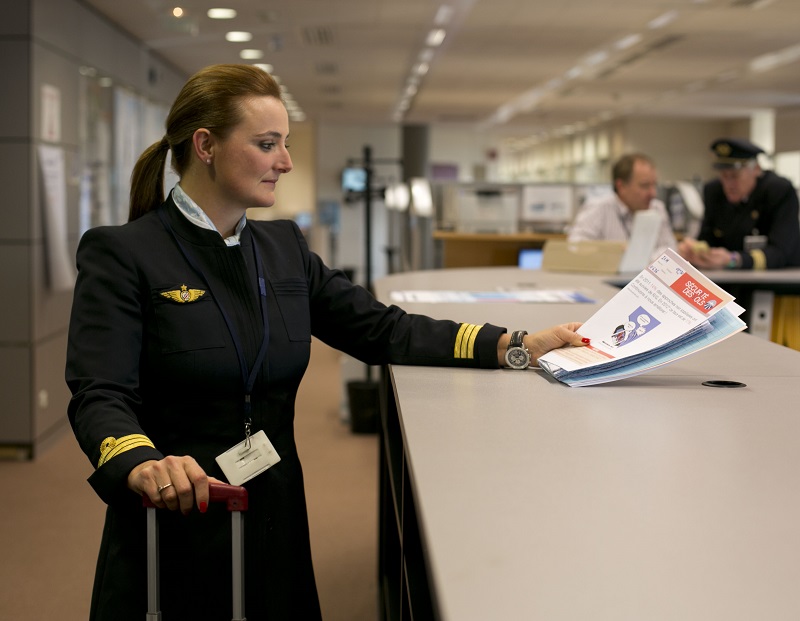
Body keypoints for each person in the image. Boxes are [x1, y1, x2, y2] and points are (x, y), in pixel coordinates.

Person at [65, 64, 588, 621]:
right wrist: (139, 460)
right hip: (176, 522)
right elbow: (100, 392)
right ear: (206, 146)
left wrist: (516, 345)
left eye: (285, 144)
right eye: (267, 144)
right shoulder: (124, 254)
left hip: (275, 514)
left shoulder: (283, 246)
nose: (285, 161)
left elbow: (384, 329)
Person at [678, 138, 800, 270]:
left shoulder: (778, 191)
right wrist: (695, 251)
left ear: (756, 170)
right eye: (724, 176)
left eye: (735, 176)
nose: (729, 184)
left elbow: (781, 251)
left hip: (778, 279)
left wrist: (733, 259)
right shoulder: (714, 192)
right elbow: (708, 238)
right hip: (729, 280)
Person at [568, 153, 677, 256]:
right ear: (621, 186)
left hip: (649, 275)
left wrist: (636, 256)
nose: (653, 193)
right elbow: (575, 246)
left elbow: (671, 249)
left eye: (654, 185)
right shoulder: (599, 208)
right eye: (645, 186)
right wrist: (613, 252)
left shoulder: (657, 208)